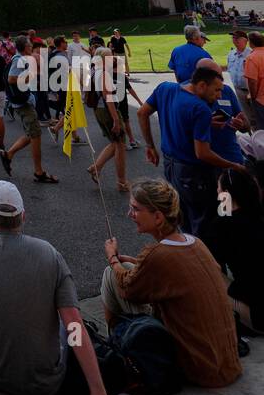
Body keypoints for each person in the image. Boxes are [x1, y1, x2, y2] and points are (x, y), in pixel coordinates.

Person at [0, 181, 115, 395]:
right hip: (42, 384)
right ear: (23, 216)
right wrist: (98, 392)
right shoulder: (49, 254)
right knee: (71, 322)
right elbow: (74, 326)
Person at [102, 179, 242, 388]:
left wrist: (112, 257)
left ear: (158, 217)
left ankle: (118, 350)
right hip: (227, 362)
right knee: (125, 271)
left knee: (110, 276)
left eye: (135, 209)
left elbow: (126, 288)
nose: (130, 215)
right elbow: (169, 270)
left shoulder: (157, 254)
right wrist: (135, 263)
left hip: (198, 367)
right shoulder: (195, 242)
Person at [137, 62, 243, 243]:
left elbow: (142, 112)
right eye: (216, 90)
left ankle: (188, 248)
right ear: (202, 85)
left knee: (183, 213)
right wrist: (234, 166)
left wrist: (150, 145)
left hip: (171, 165)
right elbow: (203, 153)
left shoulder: (165, 88)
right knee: (206, 219)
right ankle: (207, 259)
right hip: (194, 173)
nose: (219, 95)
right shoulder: (199, 108)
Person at [0, 38, 58, 184]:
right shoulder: (19, 59)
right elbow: (12, 79)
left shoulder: (20, 58)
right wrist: (31, 76)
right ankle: (39, 172)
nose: (32, 47)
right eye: (30, 45)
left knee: (32, 133)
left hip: (23, 101)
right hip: (23, 104)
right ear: (25, 47)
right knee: (36, 135)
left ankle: (9, 154)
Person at [216, 167, 264, 336]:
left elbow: (211, 264)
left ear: (227, 194)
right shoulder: (257, 215)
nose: (217, 194)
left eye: (219, 189)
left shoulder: (223, 227)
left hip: (257, 317)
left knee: (208, 271)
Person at [86, 45, 129, 193]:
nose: (113, 58)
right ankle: (122, 182)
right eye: (110, 56)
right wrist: (116, 120)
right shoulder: (103, 74)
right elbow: (108, 98)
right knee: (120, 145)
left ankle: (95, 168)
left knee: (115, 142)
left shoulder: (93, 71)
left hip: (99, 110)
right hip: (107, 111)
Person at [245, 31, 264, 130]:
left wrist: (252, 97)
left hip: (261, 100)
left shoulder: (252, 58)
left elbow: (252, 82)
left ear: (251, 43)